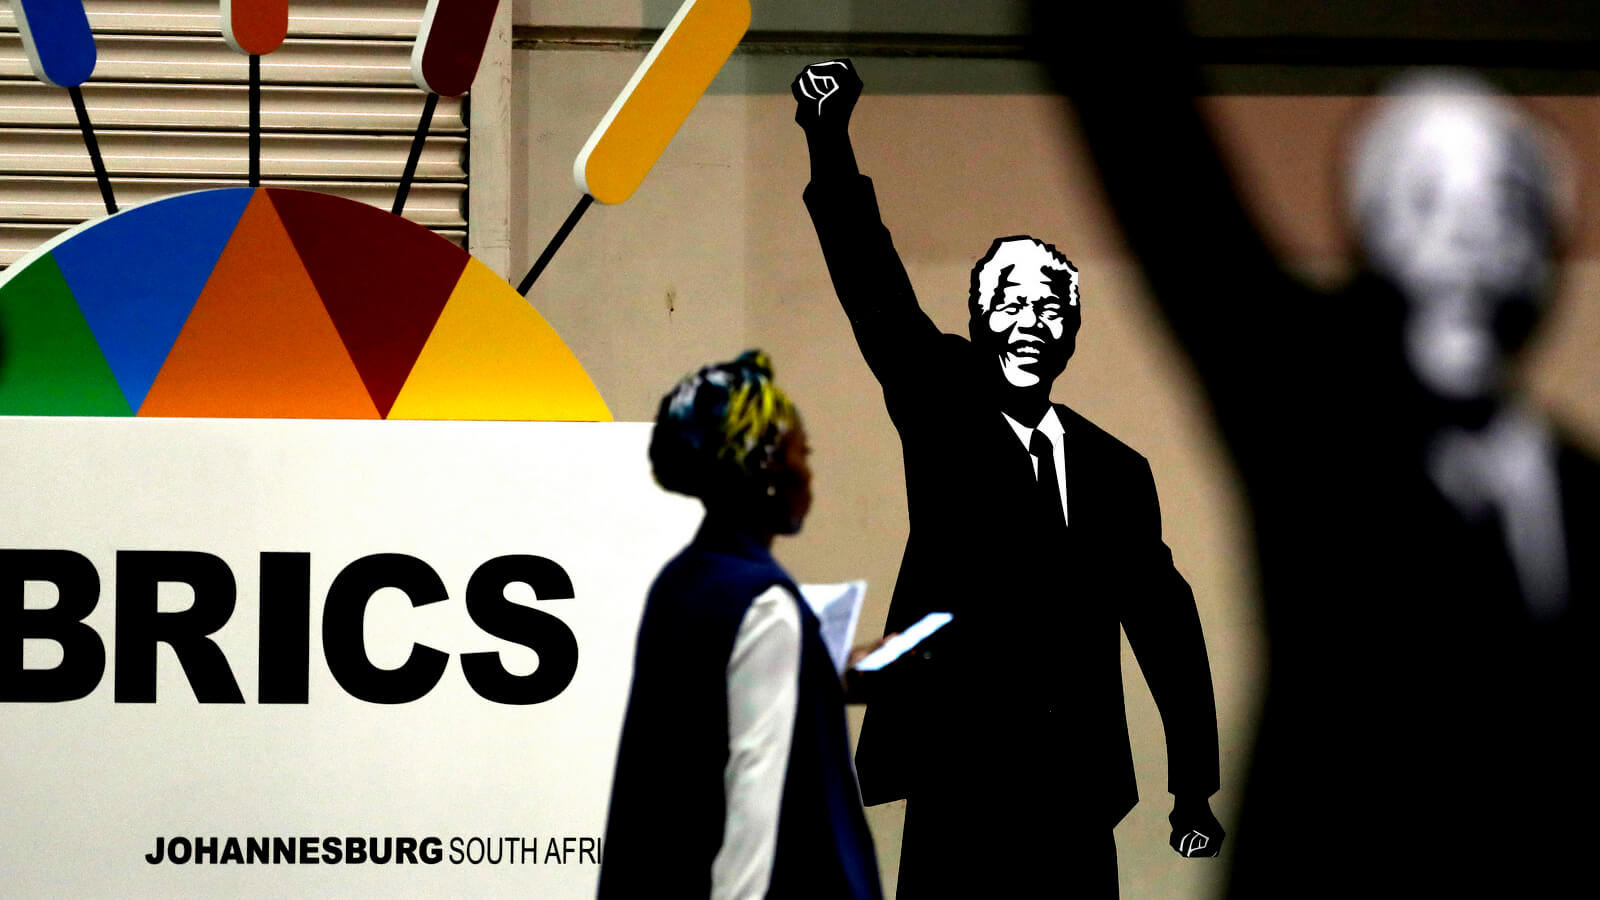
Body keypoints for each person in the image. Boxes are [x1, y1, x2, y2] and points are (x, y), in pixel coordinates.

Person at [1034, 2, 1598, 894]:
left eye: (1504, 207)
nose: (1470, 240)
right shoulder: (1311, 403)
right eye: (1426, 201)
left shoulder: (1572, 484)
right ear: (1372, 232)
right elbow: (1158, 163)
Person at [792, 60, 1224, 897]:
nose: (1031, 324)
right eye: (1011, 305)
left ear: (1071, 333)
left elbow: (1165, 623)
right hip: (960, 782)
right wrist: (828, 138)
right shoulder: (941, 403)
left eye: (1051, 309)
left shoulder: (1115, 470)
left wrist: (1192, 786)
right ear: (980, 321)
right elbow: (872, 286)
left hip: (1074, 797)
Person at [597, 351, 882, 900]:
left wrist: (824, 679)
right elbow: (754, 818)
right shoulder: (766, 605)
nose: (811, 471)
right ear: (768, 467)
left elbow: (702, 721)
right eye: (805, 451)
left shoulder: (681, 581)